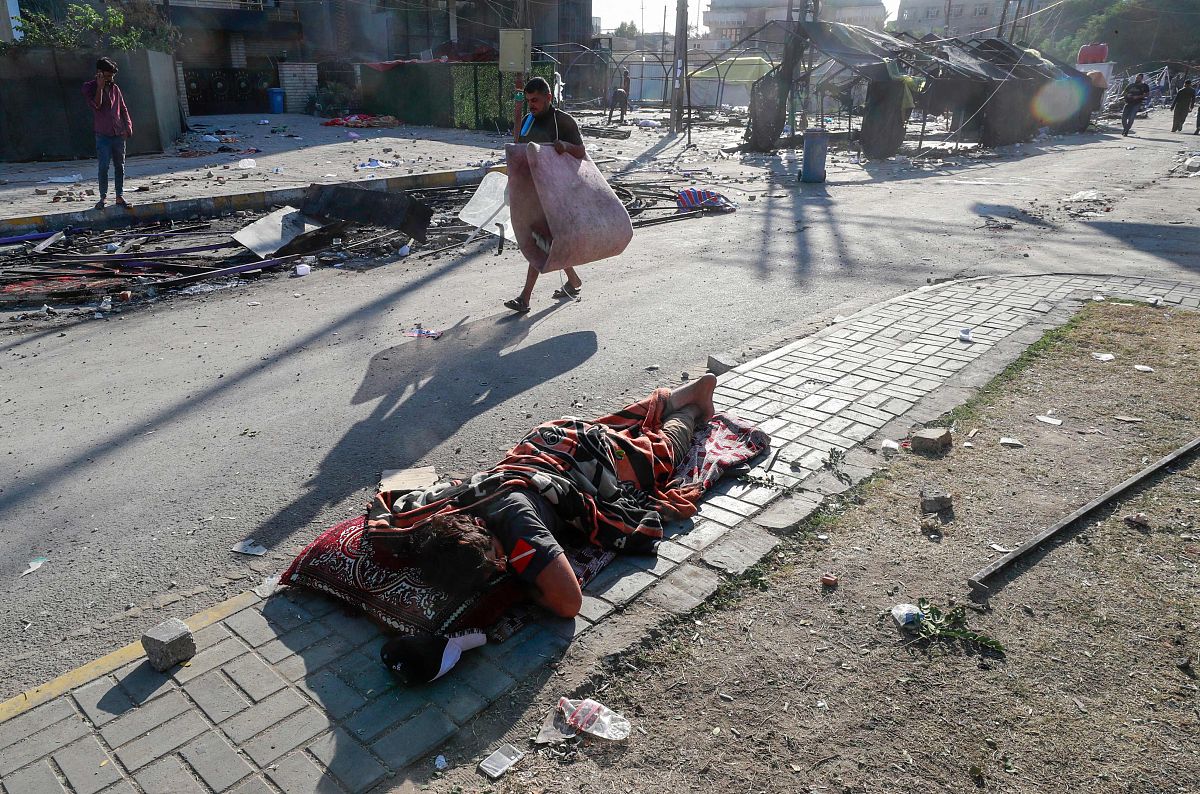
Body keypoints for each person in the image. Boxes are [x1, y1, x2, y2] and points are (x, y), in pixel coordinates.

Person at [413, 375, 718, 618]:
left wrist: (521, 584)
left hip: (584, 458)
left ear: (483, 530)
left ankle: (691, 409)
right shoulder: (448, 509)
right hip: (548, 441)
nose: (502, 565)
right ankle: (678, 396)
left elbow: (568, 603)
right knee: (615, 431)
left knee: (657, 456)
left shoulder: (516, 522)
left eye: (496, 556)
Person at [504, 76, 587, 314]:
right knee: (545, 242)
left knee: (539, 242)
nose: (531, 105)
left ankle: (525, 298)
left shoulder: (563, 121)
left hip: (557, 194)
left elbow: (581, 152)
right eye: (528, 100)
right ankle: (573, 280)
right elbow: (520, 147)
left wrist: (566, 146)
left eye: (535, 100)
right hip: (533, 194)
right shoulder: (528, 120)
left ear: (548, 98)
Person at [82, 58, 134, 210]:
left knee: (120, 166)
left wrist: (128, 125)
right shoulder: (88, 88)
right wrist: (99, 87)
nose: (110, 79)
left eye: (112, 76)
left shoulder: (115, 88)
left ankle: (119, 196)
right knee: (103, 166)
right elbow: (97, 105)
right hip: (103, 135)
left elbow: (123, 108)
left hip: (118, 133)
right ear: (99, 73)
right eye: (107, 76)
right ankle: (103, 197)